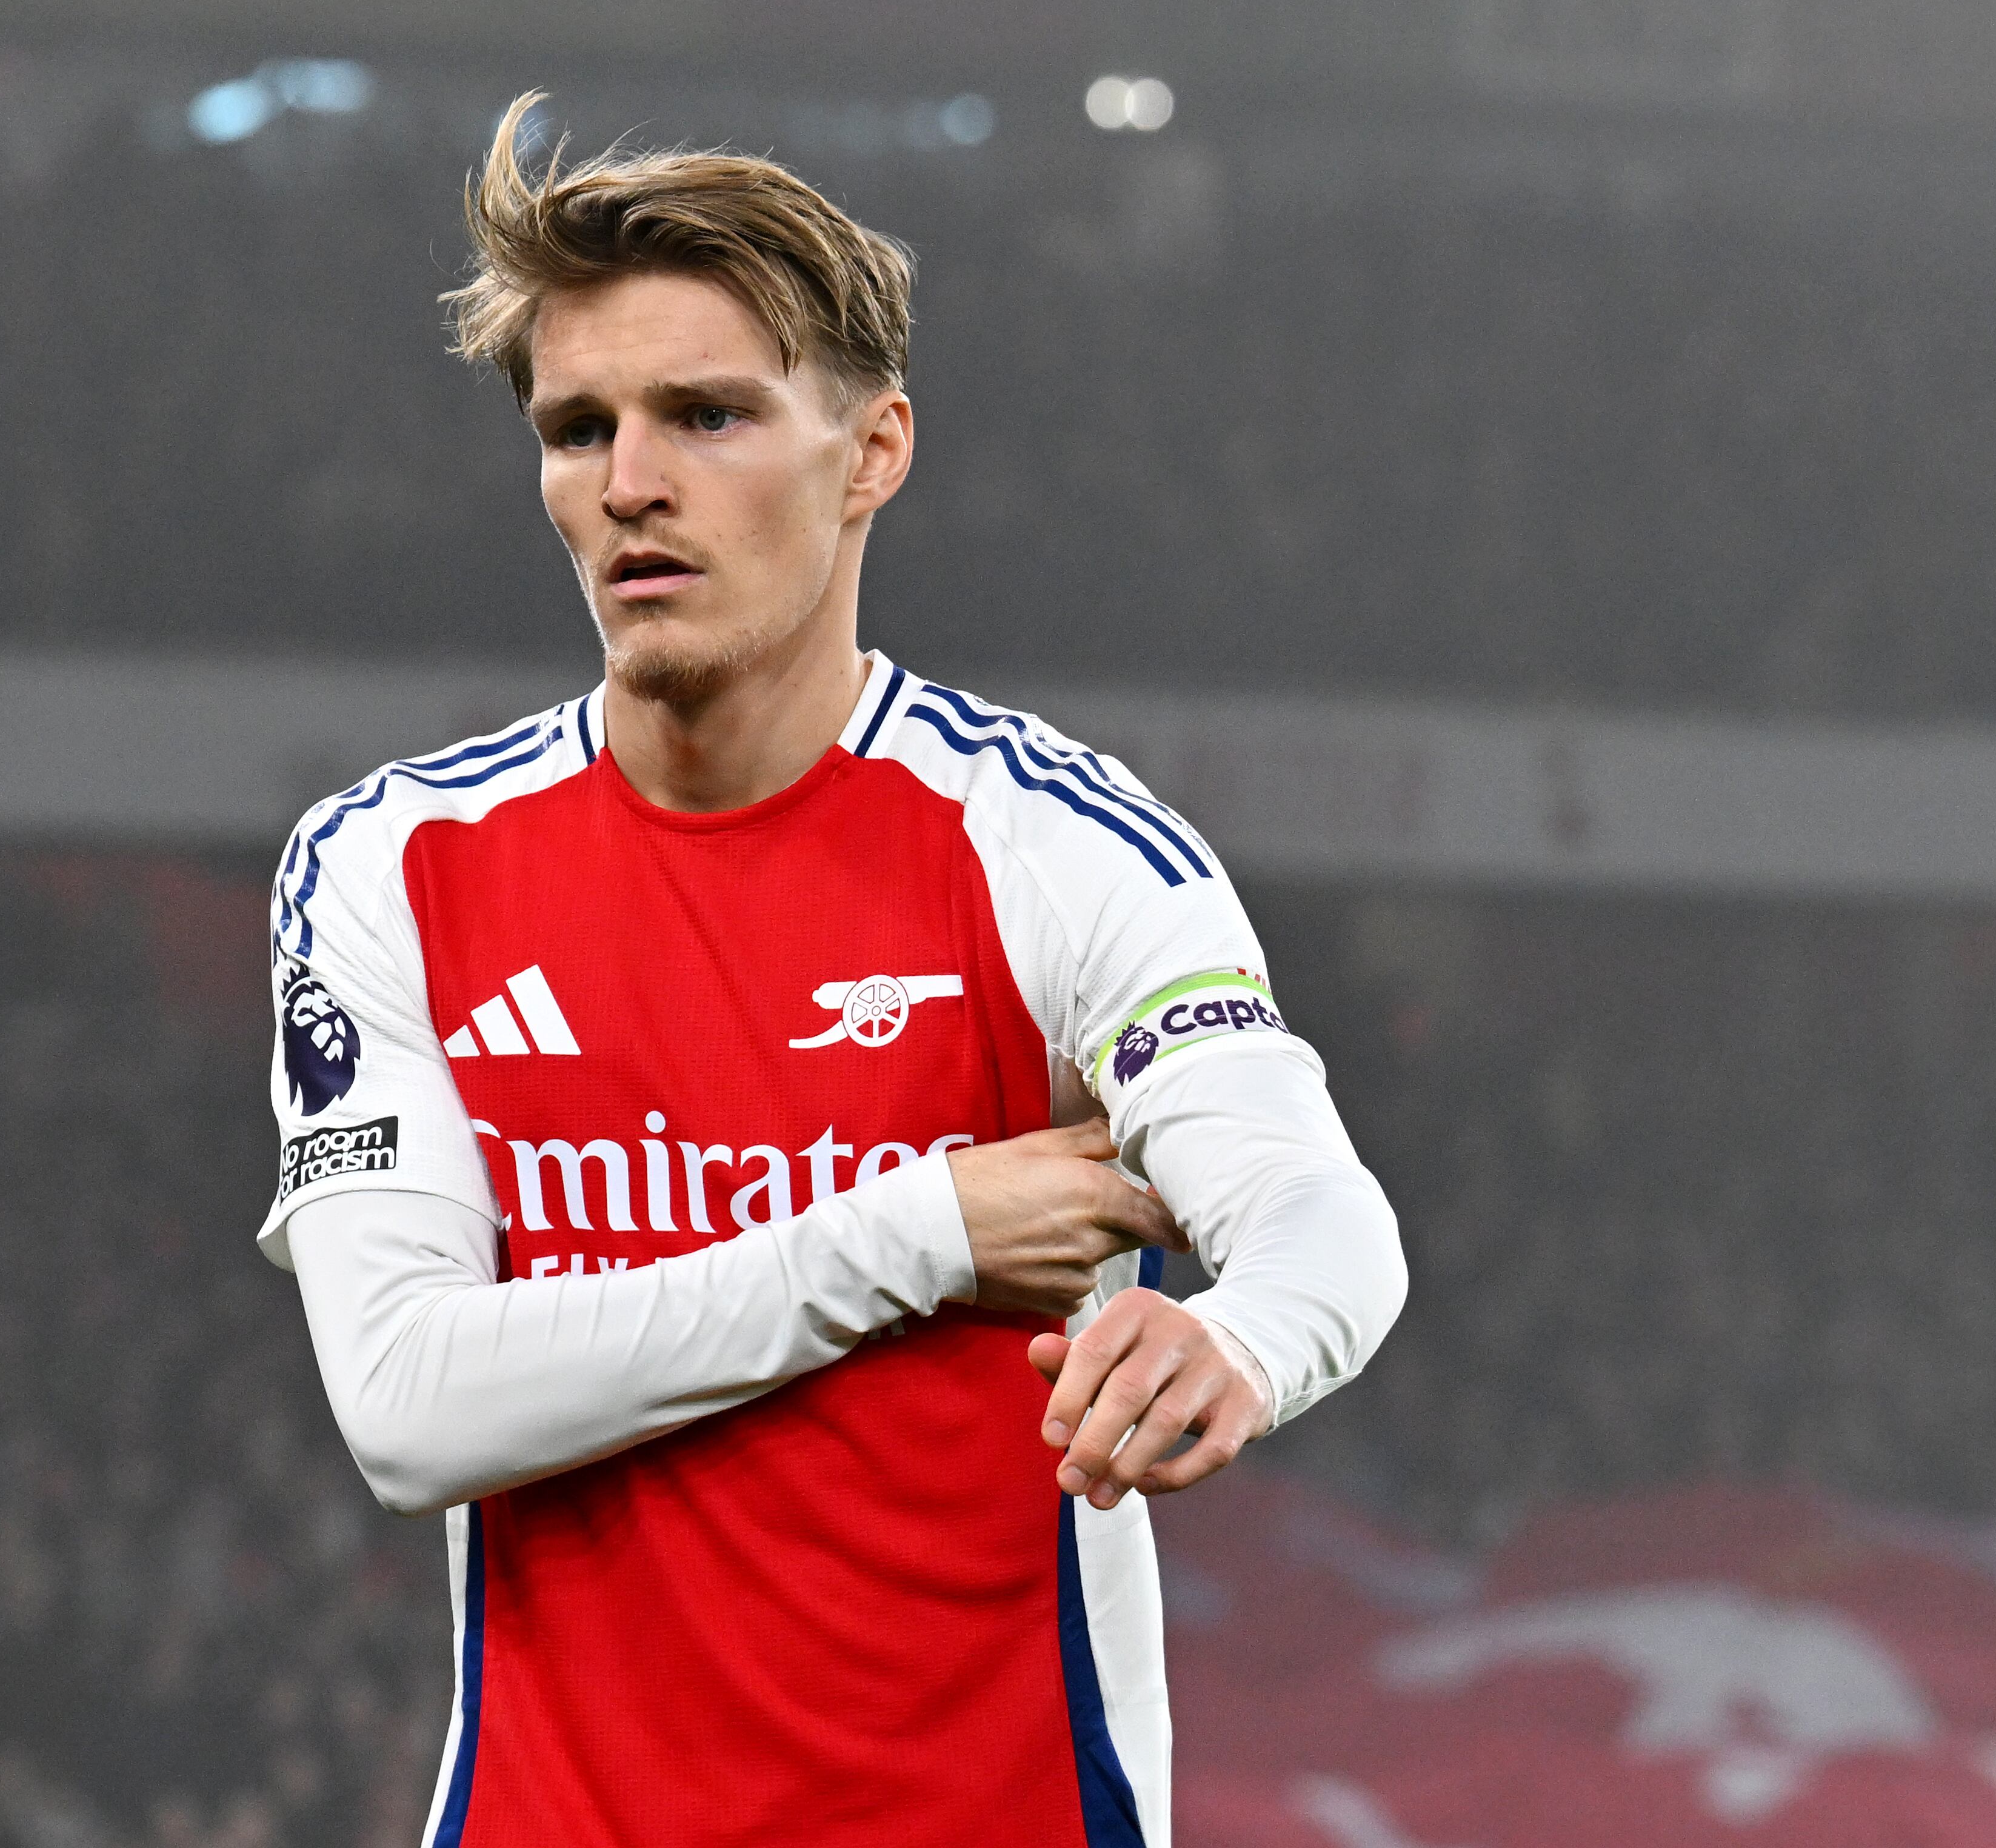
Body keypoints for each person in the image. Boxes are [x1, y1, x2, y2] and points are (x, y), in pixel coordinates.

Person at [259, 93, 1407, 1847]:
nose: (629, 480)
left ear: (871, 454)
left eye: (707, 415)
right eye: (578, 430)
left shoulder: (1055, 844)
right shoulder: (389, 868)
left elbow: (1322, 1216)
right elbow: (410, 1406)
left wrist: (1237, 1339)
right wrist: (923, 1233)